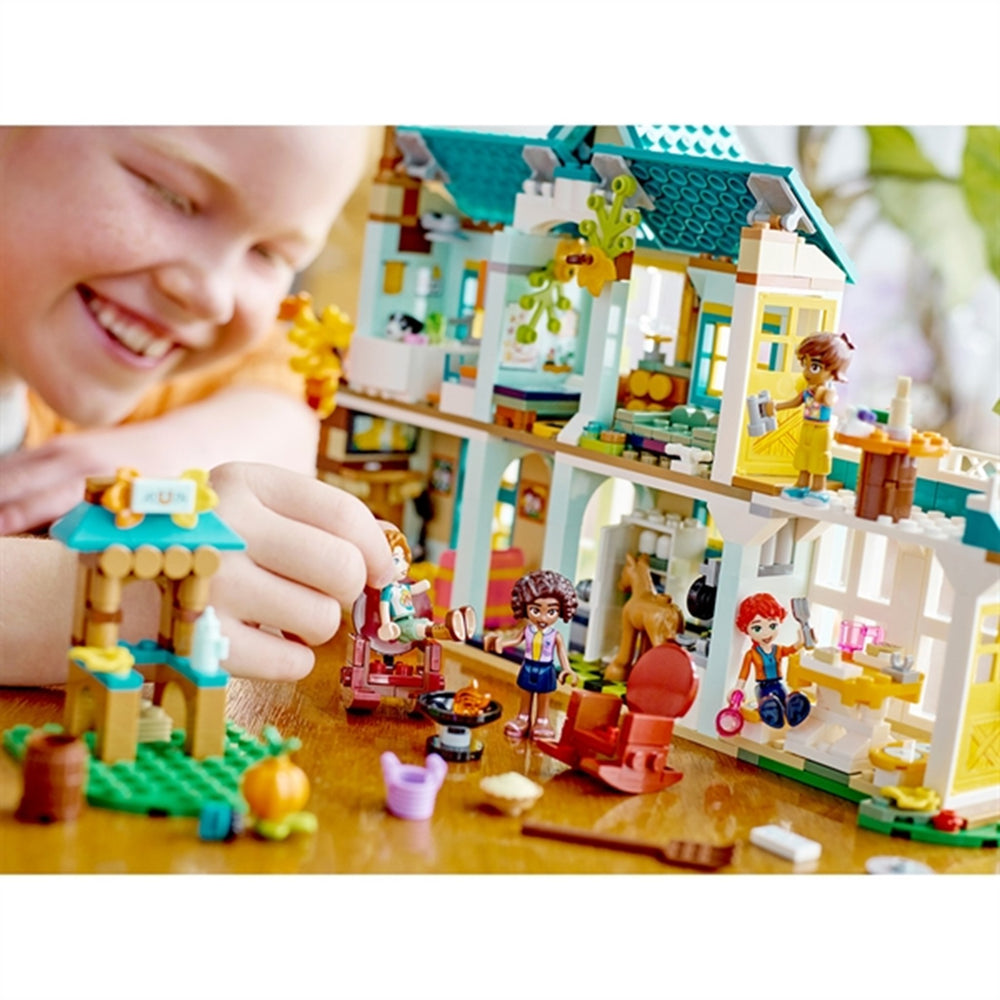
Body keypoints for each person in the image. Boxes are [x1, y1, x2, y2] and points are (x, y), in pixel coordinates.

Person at [0, 126, 397, 685]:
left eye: (267, 253)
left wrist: (157, 468)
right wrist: (94, 596)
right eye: (169, 194)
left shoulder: (60, 348)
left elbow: (283, 382)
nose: (212, 295)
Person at [485, 569, 578, 740]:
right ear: (525, 607)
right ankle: (523, 718)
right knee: (526, 693)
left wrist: (567, 669)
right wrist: (499, 642)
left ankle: (542, 720)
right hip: (528, 666)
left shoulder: (555, 635)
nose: (543, 618)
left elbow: (561, 652)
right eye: (536, 610)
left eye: (551, 612)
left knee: (544, 696)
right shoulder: (527, 630)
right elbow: (514, 641)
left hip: (546, 668)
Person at [768, 332, 855, 504]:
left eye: (814, 367)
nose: (807, 372)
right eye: (805, 365)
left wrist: (822, 394)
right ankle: (801, 485)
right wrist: (776, 406)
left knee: (819, 459)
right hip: (807, 428)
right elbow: (794, 402)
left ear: (834, 372)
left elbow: (830, 400)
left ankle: (818, 489)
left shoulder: (828, 391)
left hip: (821, 431)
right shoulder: (807, 391)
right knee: (803, 457)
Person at [377, 527, 475, 644]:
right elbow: (384, 606)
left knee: (425, 623)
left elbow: (413, 589)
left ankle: (451, 631)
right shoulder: (388, 590)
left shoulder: (402, 587)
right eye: (397, 560)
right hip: (400, 626)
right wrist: (386, 625)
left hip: (411, 619)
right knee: (420, 628)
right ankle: (448, 631)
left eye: (404, 559)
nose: (404, 565)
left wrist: (424, 585)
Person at [733, 592, 810, 729]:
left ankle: (794, 711)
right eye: (757, 628)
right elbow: (744, 674)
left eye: (772, 626)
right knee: (769, 703)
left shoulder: (778, 649)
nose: (766, 633)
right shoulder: (751, 654)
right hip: (763, 688)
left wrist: (801, 640)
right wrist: (738, 689)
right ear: (746, 628)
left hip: (778, 684)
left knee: (788, 699)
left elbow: (791, 649)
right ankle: (771, 712)